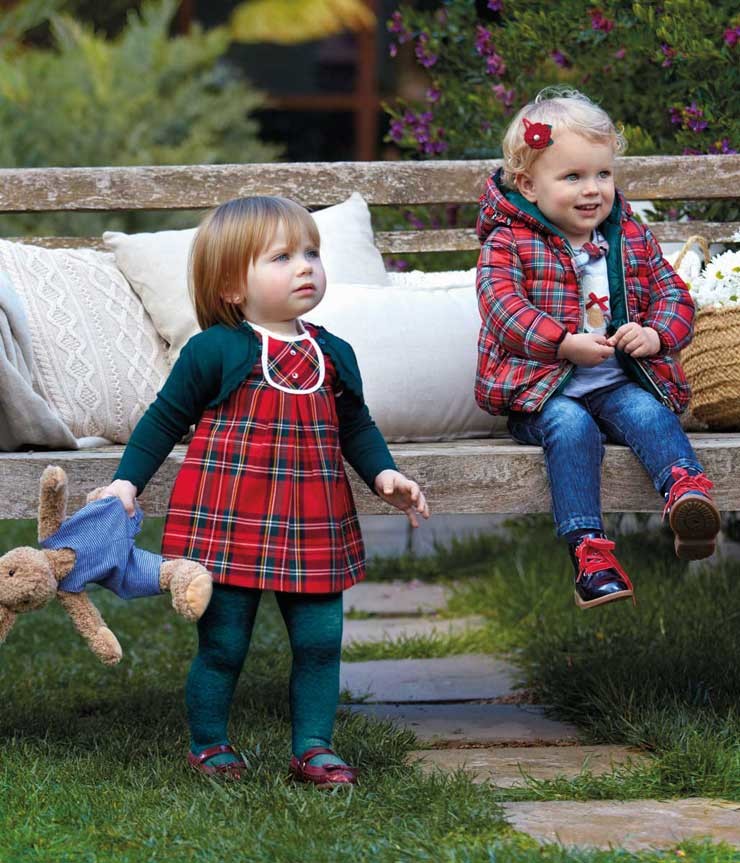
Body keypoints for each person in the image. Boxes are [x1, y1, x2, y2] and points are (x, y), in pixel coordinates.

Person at [99, 196, 429, 785]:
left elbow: (356, 426)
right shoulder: (216, 349)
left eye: (311, 253)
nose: (305, 267)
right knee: (224, 644)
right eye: (282, 257)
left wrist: (384, 475)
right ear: (231, 285)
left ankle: (314, 747)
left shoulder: (333, 353)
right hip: (230, 523)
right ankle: (208, 743)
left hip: (313, 522)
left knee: (321, 641)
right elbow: (164, 419)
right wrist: (127, 482)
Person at [475, 87, 720, 610]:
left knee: (647, 410)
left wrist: (655, 334)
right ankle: (590, 554)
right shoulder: (508, 242)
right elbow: (502, 309)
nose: (592, 190)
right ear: (528, 185)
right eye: (572, 177)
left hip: (614, 383)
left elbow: (675, 295)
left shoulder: (629, 237)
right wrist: (562, 344)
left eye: (602, 174)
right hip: (541, 393)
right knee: (572, 426)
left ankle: (687, 496)